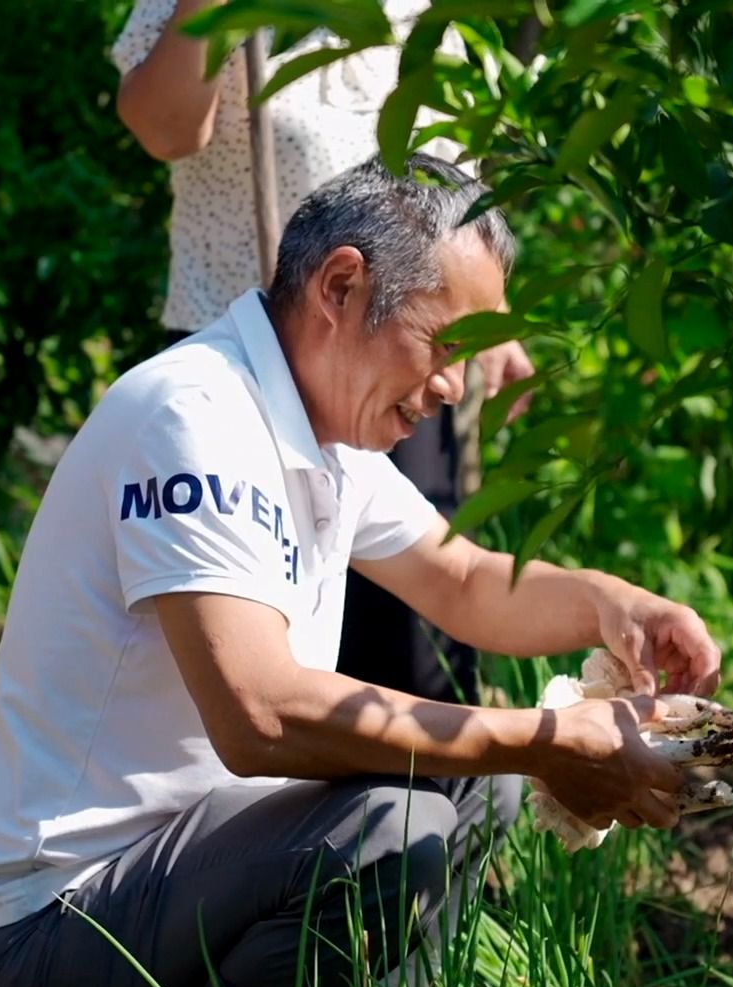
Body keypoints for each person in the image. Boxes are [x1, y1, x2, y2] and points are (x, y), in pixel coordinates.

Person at [0, 156, 722, 987]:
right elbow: (260, 715)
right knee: (394, 827)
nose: (453, 388)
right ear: (342, 285)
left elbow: (464, 579)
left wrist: (610, 602)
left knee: (487, 790)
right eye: (446, 343)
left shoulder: (326, 441)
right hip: (50, 943)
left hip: (175, 895)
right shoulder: (195, 416)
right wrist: (552, 737)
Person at [110, 0, 535, 709]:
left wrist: (490, 327)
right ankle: (270, 811)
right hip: (247, 368)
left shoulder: (423, 14)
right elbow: (164, 127)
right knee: (251, 638)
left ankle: (414, 812)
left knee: (411, 639)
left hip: (399, 360)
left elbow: (451, 199)